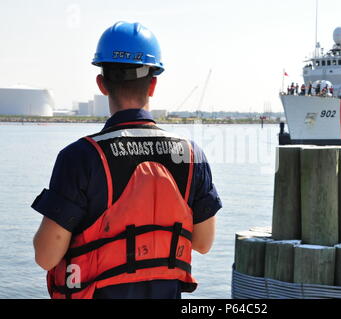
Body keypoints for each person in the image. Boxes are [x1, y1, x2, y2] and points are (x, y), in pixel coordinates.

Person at [31, 22, 222, 299]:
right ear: (153, 84)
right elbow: (203, 243)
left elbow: (46, 257)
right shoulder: (192, 156)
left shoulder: (79, 157)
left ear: (102, 84)